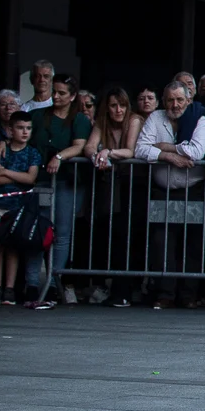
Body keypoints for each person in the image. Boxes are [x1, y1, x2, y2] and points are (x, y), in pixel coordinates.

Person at [132, 82, 205, 310]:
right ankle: (165, 294)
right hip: (163, 190)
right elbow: (140, 149)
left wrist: (166, 147)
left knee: (192, 243)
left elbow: (197, 152)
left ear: (188, 100)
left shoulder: (199, 118)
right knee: (162, 242)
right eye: (170, 100)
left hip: (193, 189)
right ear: (163, 101)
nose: (175, 105)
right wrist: (168, 157)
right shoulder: (155, 118)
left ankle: (187, 295)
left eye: (179, 100)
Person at [31, 76, 91, 304]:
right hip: (40, 181)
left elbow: (79, 146)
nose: (56, 96)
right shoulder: (38, 115)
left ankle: (54, 282)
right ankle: (32, 283)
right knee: (38, 232)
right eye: (54, 91)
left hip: (66, 181)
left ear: (73, 96)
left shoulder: (79, 119)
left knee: (62, 233)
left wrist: (58, 156)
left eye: (62, 93)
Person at [85, 86, 143, 308]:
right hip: (109, 186)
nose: (118, 110)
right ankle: (107, 287)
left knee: (127, 237)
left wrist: (107, 152)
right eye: (113, 105)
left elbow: (130, 150)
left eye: (122, 105)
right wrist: (96, 155)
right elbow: (89, 147)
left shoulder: (134, 120)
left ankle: (124, 290)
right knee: (107, 234)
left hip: (132, 184)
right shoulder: (102, 122)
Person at [0, 114, 43, 306]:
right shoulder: (0, 149)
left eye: (28, 128)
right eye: (20, 128)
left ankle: (9, 288)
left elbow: (30, 179)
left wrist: (6, 171)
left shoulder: (33, 153)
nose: (25, 132)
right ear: (10, 130)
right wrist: (17, 175)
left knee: (13, 247)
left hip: (19, 206)